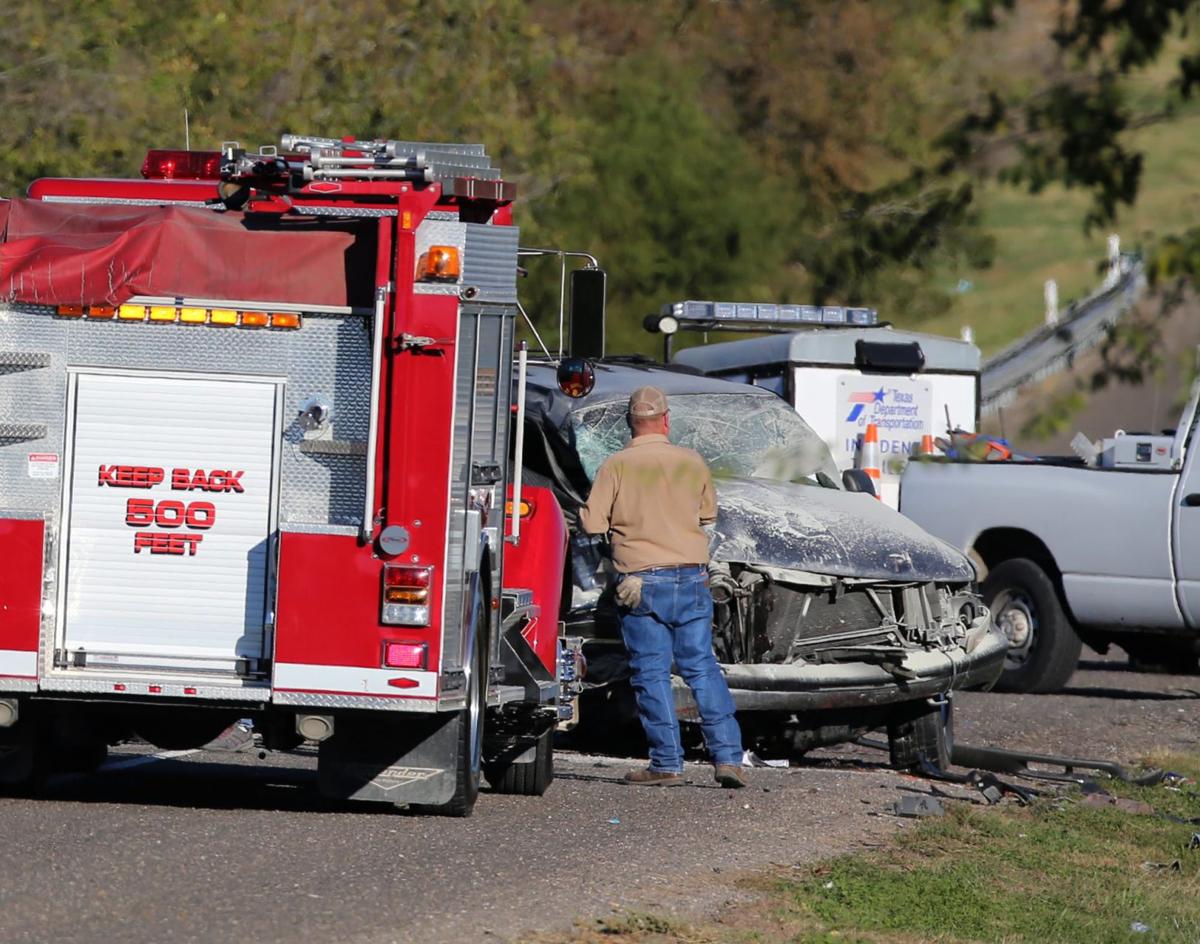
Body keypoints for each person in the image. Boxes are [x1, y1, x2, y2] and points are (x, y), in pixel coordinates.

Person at [580, 385, 745, 788]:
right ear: (666, 420)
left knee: (651, 673)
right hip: (691, 577)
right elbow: (708, 514)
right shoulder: (692, 462)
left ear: (630, 425)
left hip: (640, 581)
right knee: (701, 666)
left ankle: (667, 764)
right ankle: (728, 759)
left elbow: (591, 523)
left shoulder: (615, 465)